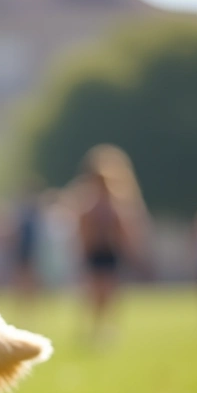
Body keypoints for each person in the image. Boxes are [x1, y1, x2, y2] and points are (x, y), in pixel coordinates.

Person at [70, 144, 150, 341]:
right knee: (94, 293)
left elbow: (125, 230)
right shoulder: (87, 202)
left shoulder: (117, 203)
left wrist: (132, 251)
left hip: (110, 252)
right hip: (94, 252)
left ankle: (107, 328)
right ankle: (93, 328)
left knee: (110, 292)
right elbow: (83, 230)